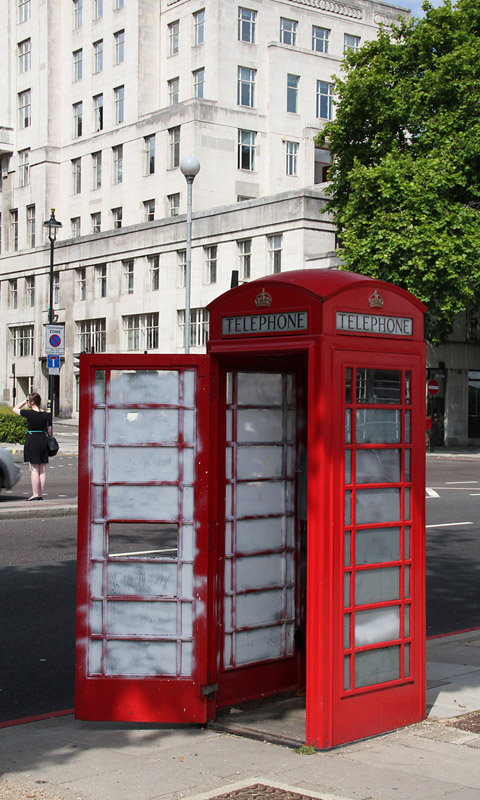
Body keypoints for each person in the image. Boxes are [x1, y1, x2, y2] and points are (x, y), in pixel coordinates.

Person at [13, 393, 52, 501]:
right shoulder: (46, 415)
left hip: (32, 439)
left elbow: (15, 409)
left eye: (28, 400)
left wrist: (23, 402)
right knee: (42, 469)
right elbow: (49, 430)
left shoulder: (29, 413)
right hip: (42, 440)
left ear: (32, 402)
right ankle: (40, 494)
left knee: (34, 469)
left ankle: (35, 494)